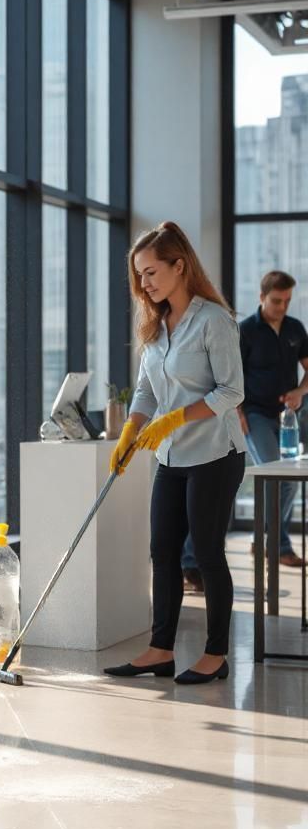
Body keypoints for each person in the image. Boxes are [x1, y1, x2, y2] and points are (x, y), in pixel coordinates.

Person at [104, 222, 246, 685]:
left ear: (178, 265)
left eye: (150, 272)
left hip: (215, 454)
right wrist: (131, 431)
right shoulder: (156, 325)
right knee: (162, 551)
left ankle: (216, 654)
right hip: (171, 457)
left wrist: (176, 418)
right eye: (139, 275)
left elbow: (232, 391)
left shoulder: (213, 321)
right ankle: (160, 650)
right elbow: (146, 389)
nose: (143, 283)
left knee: (205, 552)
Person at [239, 270, 308, 566]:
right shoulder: (246, 330)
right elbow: (231, 378)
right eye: (277, 300)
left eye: (287, 301)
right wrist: (237, 413)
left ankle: (263, 539)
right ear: (262, 297)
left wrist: (300, 391)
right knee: (273, 476)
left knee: (290, 482)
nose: (282, 307)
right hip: (254, 415)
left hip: (288, 417)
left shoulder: (295, 328)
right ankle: (279, 547)